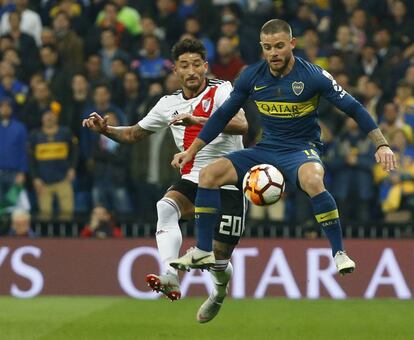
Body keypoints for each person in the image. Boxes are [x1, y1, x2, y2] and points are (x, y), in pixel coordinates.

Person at [170, 19, 397, 277]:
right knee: (209, 174)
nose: (274, 53)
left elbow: (354, 107)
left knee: (313, 180)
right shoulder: (251, 76)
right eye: (268, 47)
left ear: (292, 44)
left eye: (279, 46)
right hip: (266, 148)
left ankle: (339, 252)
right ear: (262, 48)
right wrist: (192, 151)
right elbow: (222, 116)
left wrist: (382, 144)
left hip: (300, 150)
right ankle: (202, 249)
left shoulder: (313, 76)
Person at [82, 39, 248, 322]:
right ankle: (170, 274)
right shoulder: (167, 104)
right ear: (176, 70)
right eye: (185, 65)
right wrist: (105, 129)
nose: (191, 70)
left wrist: (196, 120)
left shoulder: (221, 90)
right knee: (165, 207)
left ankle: (219, 293)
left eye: (197, 64)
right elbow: (134, 134)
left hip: (227, 179)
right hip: (193, 180)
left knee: (219, 260)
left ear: (205, 66)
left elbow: (242, 124)